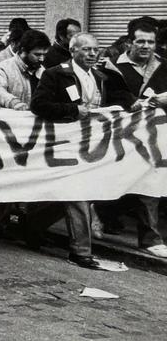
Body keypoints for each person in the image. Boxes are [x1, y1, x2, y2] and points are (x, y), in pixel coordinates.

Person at [26, 33, 138, 269]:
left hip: (90, 145)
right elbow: (38, 104)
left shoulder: (99, 76)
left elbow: (114, 99)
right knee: (78, 193)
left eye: (95, 49)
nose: (92, 54)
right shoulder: (56, 73)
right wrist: (74, 110)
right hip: (60, 144)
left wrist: (129, 105)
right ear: (72, 51)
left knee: (69, 194)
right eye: (86, 50)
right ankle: (80, 251)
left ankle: (29, 227)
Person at [98, 18, 167, 257]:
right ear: (129, 42)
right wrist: (130, 102)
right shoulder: (111, 66)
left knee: (150, 181)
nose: (146, 46)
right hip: (120, 137)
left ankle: (150, 237)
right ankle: (102, 215)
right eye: (141, 41)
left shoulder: (163, 65)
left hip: (154, 138)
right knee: (117, 181)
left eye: (151, 42)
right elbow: (108, 96)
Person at [0, 30, 50, 111]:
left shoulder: (42, 71)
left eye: (44, 55)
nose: (42, 59)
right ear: (23, 51)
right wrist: (14, 102)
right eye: (37, 55)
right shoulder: (3, 68)